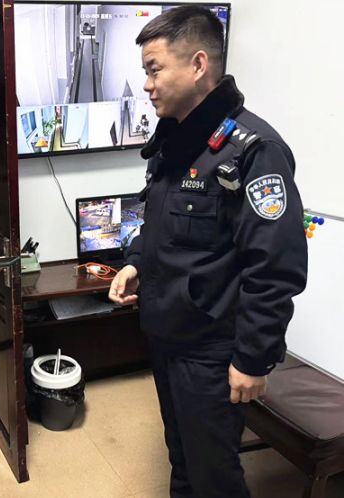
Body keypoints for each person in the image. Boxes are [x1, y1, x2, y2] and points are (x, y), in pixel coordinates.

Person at [109, 6, 308, 498]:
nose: (146, 85)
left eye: (154, 69)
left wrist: (254, 359)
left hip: (212, 351)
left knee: (214, 477)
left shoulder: (253, 150)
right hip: (167, 335)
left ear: (198, 65)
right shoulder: (176, 140)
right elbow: (160, 223)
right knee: (181, 460)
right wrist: (136, 262)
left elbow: (275, 268)